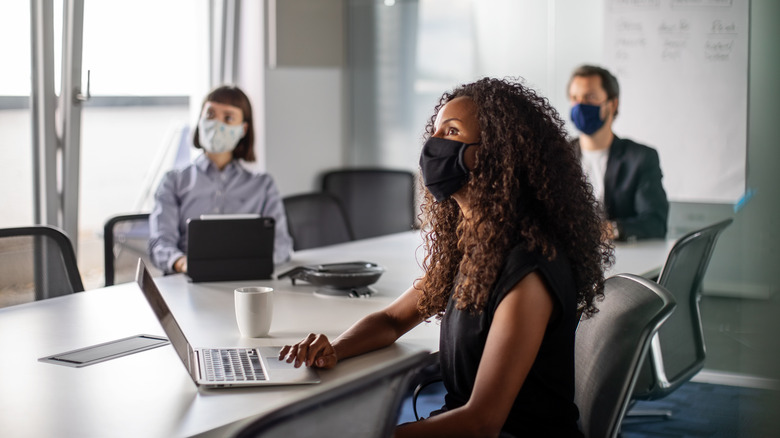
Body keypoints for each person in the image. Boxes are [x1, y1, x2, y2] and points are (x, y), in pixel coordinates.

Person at [279, 78, 613, 437]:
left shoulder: (529, 269)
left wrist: (372, 433)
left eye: (451, 131)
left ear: (496, 154)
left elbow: (483, 422)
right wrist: (336, 348)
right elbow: (393, 320)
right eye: (435, 131)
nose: (434, 145)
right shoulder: (474, 246)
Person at [148, 85, 293, 274]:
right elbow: (160, 243)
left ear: (243, 129)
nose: (217, 124)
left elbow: (281, 245)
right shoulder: (173, 181)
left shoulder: (262, 185)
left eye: (228, 118)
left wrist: (243, 264)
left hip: (247, 282)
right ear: (200, 119)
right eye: (210, 115)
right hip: (186, 281)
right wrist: (183, 263)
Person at [568, 64, 669, 241]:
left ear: (612, 104)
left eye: (590, 97)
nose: (580, 106)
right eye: (575, 98)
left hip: (620, 259)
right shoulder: (558, 155)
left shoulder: (640, 158)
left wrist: (608, 230)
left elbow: (655, 222)